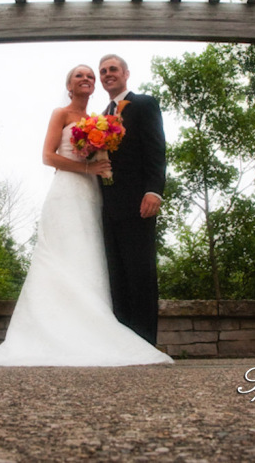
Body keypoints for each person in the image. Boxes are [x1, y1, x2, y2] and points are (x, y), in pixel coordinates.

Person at [0, 65, 172, 366]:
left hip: (96, 196)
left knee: (91, 261)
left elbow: (130, 154)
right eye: (80, 76)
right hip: (66, 192)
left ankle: (99, 330)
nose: (87, 79)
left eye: (91, 75)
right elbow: (48, 156)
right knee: (62, 257)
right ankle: (52, 330)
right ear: (69, 86)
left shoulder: (100, 120)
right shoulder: (60, 114)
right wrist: (88, 168)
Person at [98, 54, 167, 345]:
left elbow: (156, 148)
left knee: (140, 273)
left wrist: (154, 191)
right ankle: (124, 344)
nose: (107, 74)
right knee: (116, 276)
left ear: (126, 73)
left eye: (113, 69)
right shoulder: (99, 117)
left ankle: (146, 344)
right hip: (107, 207)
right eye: (103, 71)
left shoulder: (144, 104)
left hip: (139, 203)